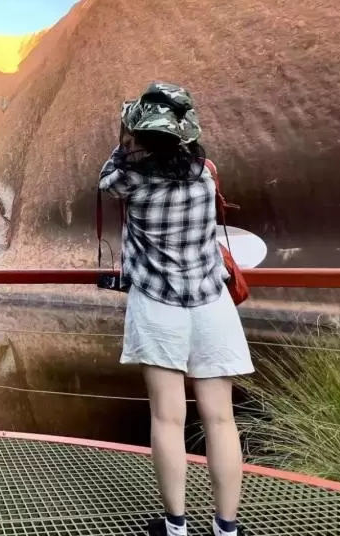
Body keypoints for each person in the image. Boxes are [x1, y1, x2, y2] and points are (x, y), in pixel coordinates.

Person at [98, 83, 253, 536]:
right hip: (211, 304)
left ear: (140, 140)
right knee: (220, 418)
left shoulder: (130, 178)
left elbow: (108, 176)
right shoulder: (206, 172)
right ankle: (226, 528)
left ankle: (175, 527)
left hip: (159, 305)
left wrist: (128, 142)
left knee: (168, 417)